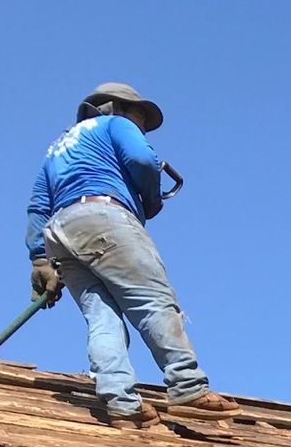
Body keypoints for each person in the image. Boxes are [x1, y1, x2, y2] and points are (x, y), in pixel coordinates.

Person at [25, 82, 240, 428]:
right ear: (114, 107)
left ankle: (121, 402)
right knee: (153, 300)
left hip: (60, 231)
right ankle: (187, 385)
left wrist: (39, 258)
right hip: (104, 216)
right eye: (139, 118)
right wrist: (151, 198)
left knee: (102, 317)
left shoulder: (57, 147)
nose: (140, 127)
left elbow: (38, 206)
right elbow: (142, 159)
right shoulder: (114, 124)